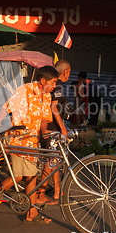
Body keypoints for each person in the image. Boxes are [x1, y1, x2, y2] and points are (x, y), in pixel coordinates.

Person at [0, 66, 59, 224]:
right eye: (53, 82)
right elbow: (6, 107)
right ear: (42, 81)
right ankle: (32, 212)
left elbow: (43, 120)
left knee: (20, 177)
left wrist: (47, 133)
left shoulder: (47, 96)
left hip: (33, 142)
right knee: (31, 176)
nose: (55, 86)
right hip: (19, 139)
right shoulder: (25, 90)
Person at [39, 60, 72, 204]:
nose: (69, 75)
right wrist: (63, 128)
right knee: (51, 161)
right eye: (69, 72)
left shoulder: (54, 83)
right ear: (65, 71)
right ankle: (40, 194)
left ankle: (57, 191)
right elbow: (54, 107)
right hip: (50, 127)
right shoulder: (56, 83)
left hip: (51, 126)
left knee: (54, 160)